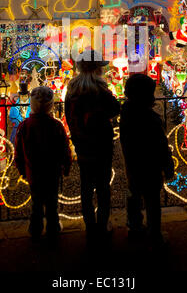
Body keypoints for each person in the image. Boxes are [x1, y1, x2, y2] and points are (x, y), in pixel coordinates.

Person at [65, 49, 120, 243]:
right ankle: (103, 224)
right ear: (96, 68)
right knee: (103, 186)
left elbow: (68, 116)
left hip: (82, 145)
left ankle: (90, 225)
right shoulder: (99, 89)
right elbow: (115, 108)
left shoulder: (72, 90)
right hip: (102, 145)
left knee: (86, 186)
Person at [119, 73, 174, 247]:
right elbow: (161, 144)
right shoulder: (151, 119)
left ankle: (134, 227)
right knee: (152, 200)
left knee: (134, 194)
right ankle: (155, 234)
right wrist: (167, 165)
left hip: (132, 162)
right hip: (151, 166)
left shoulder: (126, 112)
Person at [14, 86, 72, 242]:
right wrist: (66, 165)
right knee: (52, 202)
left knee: (37, 202)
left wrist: (21, 168)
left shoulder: (25, 126)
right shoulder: (56, 125)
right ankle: (53, 228)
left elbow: (18, 149)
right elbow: (64, 148)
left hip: (33, 171)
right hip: (52, 171)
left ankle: (35, 228)